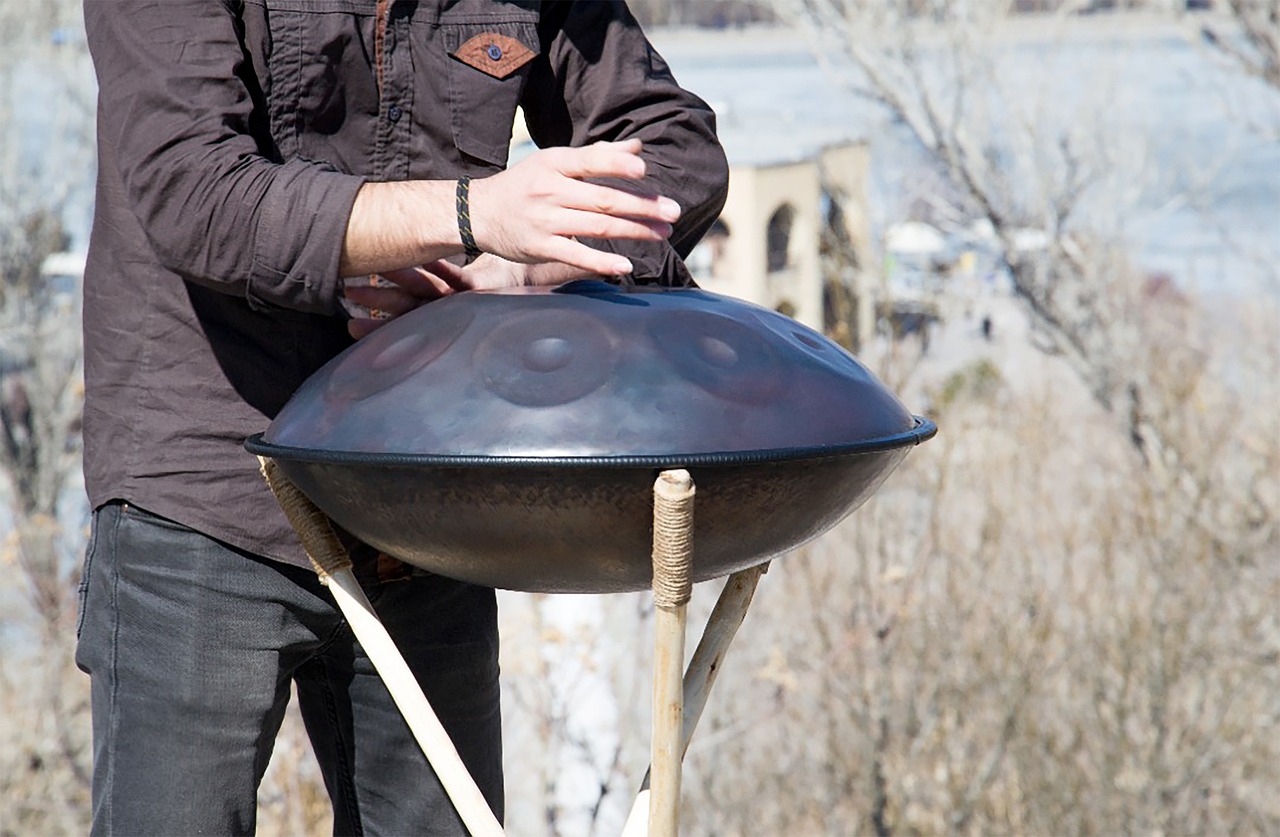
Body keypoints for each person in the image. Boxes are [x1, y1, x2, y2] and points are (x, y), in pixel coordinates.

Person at [76, 1, 729, 833]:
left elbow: (677, 147)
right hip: (209, 490)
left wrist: (523, 266)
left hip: (423, 491)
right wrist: (470, 214)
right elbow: (193, 191)